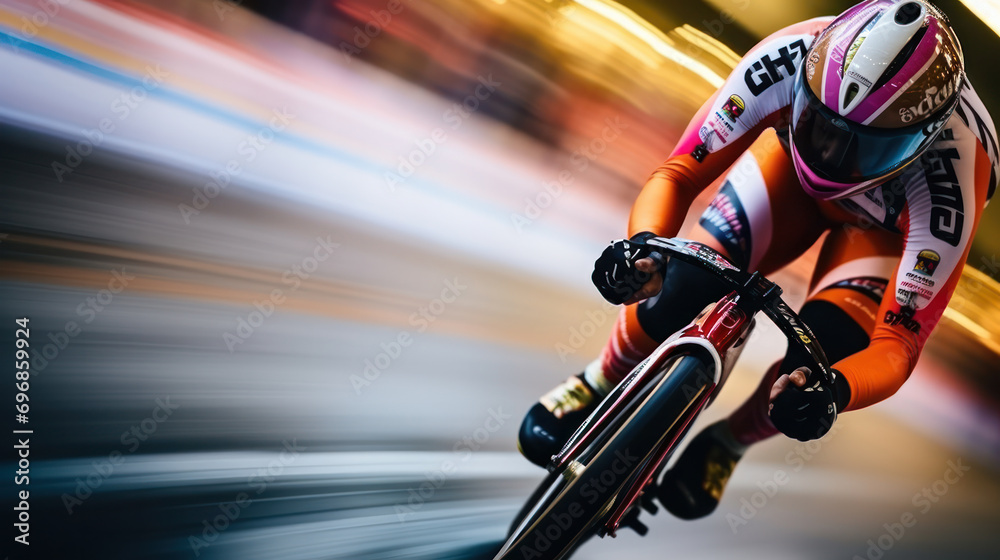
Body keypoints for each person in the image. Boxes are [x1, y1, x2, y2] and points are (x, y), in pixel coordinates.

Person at [517, 0, 998, 520]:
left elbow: (896, 345)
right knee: (677, 282)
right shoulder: (787, 56)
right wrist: (644, 247)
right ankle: (600, 378)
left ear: (923, 142)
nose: (832, 153)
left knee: (822, 363)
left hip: (877, 234)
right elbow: (678, 174)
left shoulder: (953, 178)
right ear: (807, 78)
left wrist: (835, 390)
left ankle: (729, 441)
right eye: (818, 122)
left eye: (862, 146)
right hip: (787, 180)